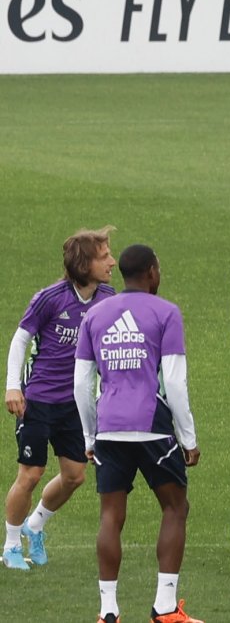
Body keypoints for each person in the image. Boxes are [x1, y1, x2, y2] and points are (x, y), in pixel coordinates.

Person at [74, 244, 202, 623]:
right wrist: (188, 437)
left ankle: (108, 611)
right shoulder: (166, 312)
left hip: (109, 429)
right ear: (151, 272)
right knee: (175, 508)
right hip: (153, 429)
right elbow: (175, 382)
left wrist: (89, 436)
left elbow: (82, 383)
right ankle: (164, 607)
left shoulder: (95, 315)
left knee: (111, 516)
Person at [3, 227, 117, 570]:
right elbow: (20, 340)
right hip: (37, 399)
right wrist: (12, 386)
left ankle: (34, 525)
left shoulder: (108, 298)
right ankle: (9, 547)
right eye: (104, 257)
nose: (112, 261)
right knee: (31, 473)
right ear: (84, 265)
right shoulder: (50, 298)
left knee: (74, 476)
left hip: (74, 404)